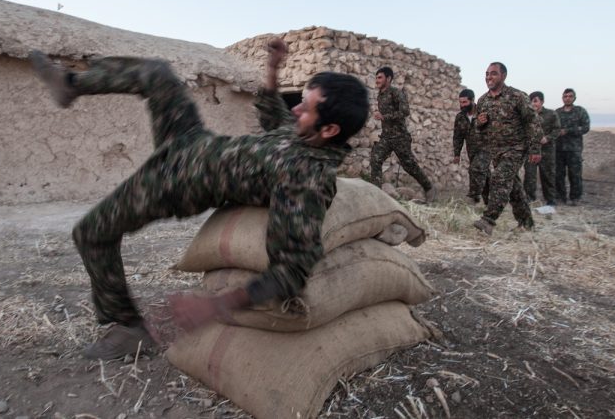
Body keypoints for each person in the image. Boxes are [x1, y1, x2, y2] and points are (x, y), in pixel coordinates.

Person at [30, 38, 369, 360]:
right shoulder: (303, 133)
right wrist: (273, 67)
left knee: (90, 232)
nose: (296, 110)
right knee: (157, 73)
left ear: (330, 130)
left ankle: (127, 327)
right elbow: (271, 112)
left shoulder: (306, 180)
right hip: (189, 140)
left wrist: (214, 306)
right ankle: (70, 84)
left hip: (174, 182)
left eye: (306, 107)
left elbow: (292, 270)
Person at [472, 62, 542, 236]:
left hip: (516, 148)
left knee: (499, 179)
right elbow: (478, 128)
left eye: (493, 73)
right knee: (514, 188)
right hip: (496, 151)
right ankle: (527, 224)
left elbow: (532, 122)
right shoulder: (482, 101)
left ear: (503, 76)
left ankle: (488, 220)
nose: (489, 77)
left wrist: (535, 148)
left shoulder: (517, 96)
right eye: (487, 74)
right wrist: (479, 124)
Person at [369, 66, 436, 202]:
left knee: (409, 165)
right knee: (375, 159)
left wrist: (384, 116)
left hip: (400, 137)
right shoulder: (380, 95)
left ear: (388, 79)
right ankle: (376, 194)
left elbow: (405, 112)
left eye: (380, 77)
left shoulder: (396, 93)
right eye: (376, 78)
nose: (377, 80)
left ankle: (429, 187)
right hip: (387, 137)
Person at [451, 88, 489, 204]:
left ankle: (473, 197)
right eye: (460, 102)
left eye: (465, 102)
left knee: (475, 170)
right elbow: (458, 136)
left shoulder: (484, 112)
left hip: (486, 149)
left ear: (472, 100)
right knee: (485, 176)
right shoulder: (460, 117)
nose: (462, 105)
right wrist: (457, 154)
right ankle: (490, 202)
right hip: (471, 151)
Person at [523, 91, 560, 206]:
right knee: (529, 177)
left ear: (542, 102)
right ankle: (530, 199)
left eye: (535, 101)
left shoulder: (551, 114)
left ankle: (550, 200)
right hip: (531, 151)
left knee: (547, 176)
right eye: (531, 101)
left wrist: (547, 138)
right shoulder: (527, 115)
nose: (533, 104)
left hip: (547, 151)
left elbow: (557, 130)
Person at [555, 88, 591, 205]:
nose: (567, 98)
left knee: (575, 174)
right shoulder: (557, 112)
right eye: (565, 96)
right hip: (559, 149)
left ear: (574, 98)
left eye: (570, 96)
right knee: (558, 174)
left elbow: (585, 127)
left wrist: (569, 131)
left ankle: (575, 198)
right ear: (562, 98)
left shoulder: (580, 111)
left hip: (574, 149)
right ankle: (561, 197)